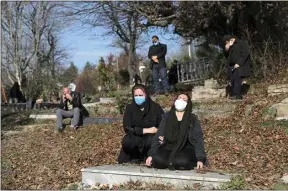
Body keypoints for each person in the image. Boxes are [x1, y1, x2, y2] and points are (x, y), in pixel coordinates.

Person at [146, 93, 207, 170]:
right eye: (179, 98)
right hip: (168, 146)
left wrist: (200, 159)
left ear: (188, 104)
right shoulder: (167, 116)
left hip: (185, 147)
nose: (181, 100)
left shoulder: (192, 118)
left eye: (184, 99)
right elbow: (158, 136)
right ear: (175, 101)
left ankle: (172, 161)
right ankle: (170, 161)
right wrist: (151, 155)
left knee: (182, 162)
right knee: (158, 160)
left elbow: (198, 139)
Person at [118, 84, 164, 164]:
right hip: (135, 135)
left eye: (140, 95)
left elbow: (162, 124)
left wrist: (158, 132)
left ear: (146, 95)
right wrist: (145, 130)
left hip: (151, 136)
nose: (138, 97)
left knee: (151, 141)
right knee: (127, 141)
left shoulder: (155, 107)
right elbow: (127, 127)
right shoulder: (130, 108)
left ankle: (148, 157)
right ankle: (134, 156)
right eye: (136, 95)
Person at [223, 35, 252, 100]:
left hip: (240, 65)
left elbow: (245, 53)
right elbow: (226, 56)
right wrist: (226, 49)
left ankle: (237, 95)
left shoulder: (241, 42)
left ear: (232, 39)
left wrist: (239, 63)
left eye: (227, 42)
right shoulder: (230, 46)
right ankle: (233, 94)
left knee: (237, 78)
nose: (227, 43)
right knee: (232, 79)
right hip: (232, 65)